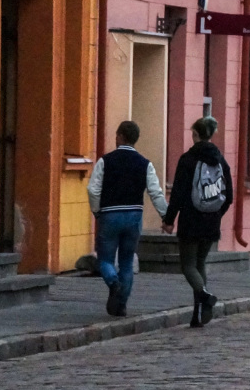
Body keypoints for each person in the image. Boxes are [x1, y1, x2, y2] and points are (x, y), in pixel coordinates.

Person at [87, 121, 168, 317]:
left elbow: (93, 189)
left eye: (116, 135)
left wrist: (97, 211)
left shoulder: (105, 161)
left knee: (105, 259)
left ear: (121, 136)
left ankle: (113, 283)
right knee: (126, 261)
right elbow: (155, 193)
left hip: (110, 214)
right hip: (134, 216)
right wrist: (166, 216)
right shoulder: (144, 163)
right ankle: (121, 305)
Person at [163, 116, 234, 328]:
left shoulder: (187, 160)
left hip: (190, 220)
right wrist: (216, 214)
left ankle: (204, 296)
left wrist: (169, 220)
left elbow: (178, 193)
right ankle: (199, 314)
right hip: (211, 221)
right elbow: (228, 195)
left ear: (195, 134)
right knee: (200, 263)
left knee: (187, 265)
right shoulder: (221, 160)